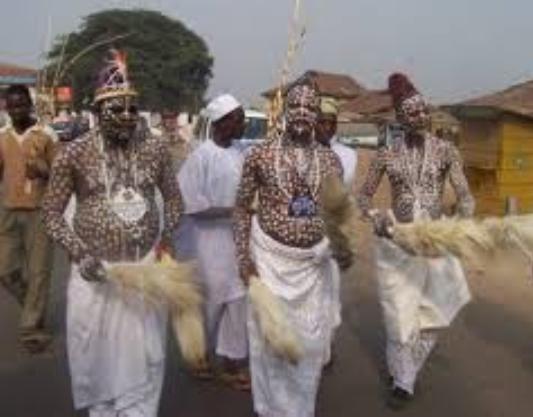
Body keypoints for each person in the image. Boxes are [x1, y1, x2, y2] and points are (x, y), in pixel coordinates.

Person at [42, 50, 183, 417]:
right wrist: (79, 253)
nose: (125, 117)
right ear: (97, 111)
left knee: (146, 365)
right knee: (98, 361)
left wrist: (167, 238)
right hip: (96, 279)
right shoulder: (74, 154)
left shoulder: (154, 149)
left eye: (132, 109)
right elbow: (52, 214)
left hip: (145, 273)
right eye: (115, 109)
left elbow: (174, 200)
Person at [357, 73, 475, 408]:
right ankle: (404, 382)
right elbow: (362, 199)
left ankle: (406, 370)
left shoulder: (446, 151)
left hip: (436, 241)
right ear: (400, 119)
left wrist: (462, 223)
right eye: (412, 113)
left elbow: (465, 195)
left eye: (424, 111)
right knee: (398, 317)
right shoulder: (386, 155)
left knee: (437, 311)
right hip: (398, 242)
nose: (420, 117)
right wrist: (375, 216)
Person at [234, 82, 343, 417]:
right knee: (269, 346)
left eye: (309, 108)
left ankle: (299, 410)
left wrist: (341, 245)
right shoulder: (260, 155)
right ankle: (269, 410)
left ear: (316, 116)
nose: (301, 113)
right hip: (269, 263)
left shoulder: (329, 160)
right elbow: (240, 208)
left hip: (313, 268)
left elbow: (338, 212)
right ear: (283, 111)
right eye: (295, 106)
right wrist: (243, 260)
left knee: (308, 348)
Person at [177, 94, 249, 390]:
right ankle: (198, 355)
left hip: (238, 243)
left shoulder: (242, 152)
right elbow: (192, 205)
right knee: (209, 305)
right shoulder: (200, 156)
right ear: (221, 123)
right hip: (207, 245)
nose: (242, 125)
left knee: (239, 301)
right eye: (238, 119)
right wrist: (234, 211)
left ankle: (232, 361)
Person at [0, 84, 56, 353]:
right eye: (12, 106)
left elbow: (61, 176)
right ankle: (33, 307)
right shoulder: (2, 136)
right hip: (9, 211)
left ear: (30, 105)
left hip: (39, 211)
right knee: (6, 271)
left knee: (38, 272)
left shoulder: (46, 135)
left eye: (21, 104)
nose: (17, 110)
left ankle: (31, 328)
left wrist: (42, 169)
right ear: (5, 108)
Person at [315, 97, 358, 190]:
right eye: (322, 122)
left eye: (332, 123)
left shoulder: (349, 155)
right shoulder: (304, 152)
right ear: (314, 123)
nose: (328, 128)